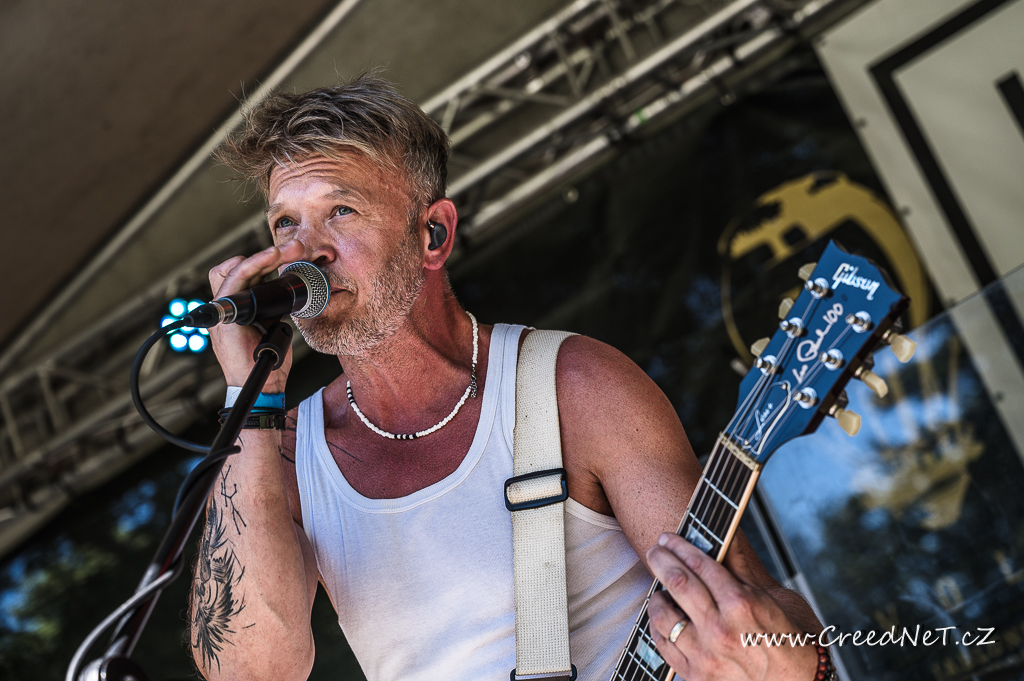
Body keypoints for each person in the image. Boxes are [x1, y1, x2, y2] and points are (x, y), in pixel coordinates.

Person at [189, 74, 826, 681]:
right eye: (285, 223)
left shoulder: (576, 387)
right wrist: (251, 401)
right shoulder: (280, 450)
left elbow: (749, 602)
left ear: (434, 234)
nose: (305, 251)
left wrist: (786, 664)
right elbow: (249, 672)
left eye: (342, 211)